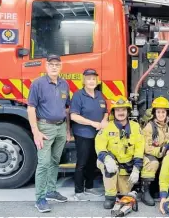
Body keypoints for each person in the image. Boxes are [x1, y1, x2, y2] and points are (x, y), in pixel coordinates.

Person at [27, 54, 71, 213]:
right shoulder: (38, 84)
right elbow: (31, 108)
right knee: (44, 163)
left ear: (61, 67)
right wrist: (35, 131)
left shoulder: (64, 84)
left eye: (57, 65)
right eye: (51, 64)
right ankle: (40, 198)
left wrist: (67, 131)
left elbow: (66, 109)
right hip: (45, 127)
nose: (54, 67)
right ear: (46, 66)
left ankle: (51, 190)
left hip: (61, 127)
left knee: (54, 160)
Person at [94, 95, 145, 209]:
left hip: (127, 166)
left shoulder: (136, 127)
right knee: (106, 164)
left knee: (124, 194)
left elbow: (139, 148)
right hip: (112, 163)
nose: (120, 112)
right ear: (113, 112)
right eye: (117, 110)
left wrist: (136, 169)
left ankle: (125, 191)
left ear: (128, 111)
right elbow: (99, 145)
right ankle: (110, 197)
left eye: (123, 110)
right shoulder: (107, 127)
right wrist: (106, 159)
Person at [69, 68, 108, 200]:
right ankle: (79, 191)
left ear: (97, 81)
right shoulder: (78, 95)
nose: (91, 81)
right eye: (88, 79)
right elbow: (74, 116)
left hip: (97, 135)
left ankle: (89, 188)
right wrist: (92, 123)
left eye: (93, 79)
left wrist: (104, 120)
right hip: (83, 134)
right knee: (82, 163)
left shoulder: (99, 95)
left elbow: (106, 111)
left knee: (92, 162)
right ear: (84, 81)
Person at [140, 96, 169, 206]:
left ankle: (167, 190)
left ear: (167, 113)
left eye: (163, 112)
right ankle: (145, 192)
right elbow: (147, 148)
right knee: (153, 163)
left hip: (164, 154)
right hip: (151, 155)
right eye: (158, 112)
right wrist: (163, 150)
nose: (161, 114)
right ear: (154, 113)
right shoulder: (149, 127)